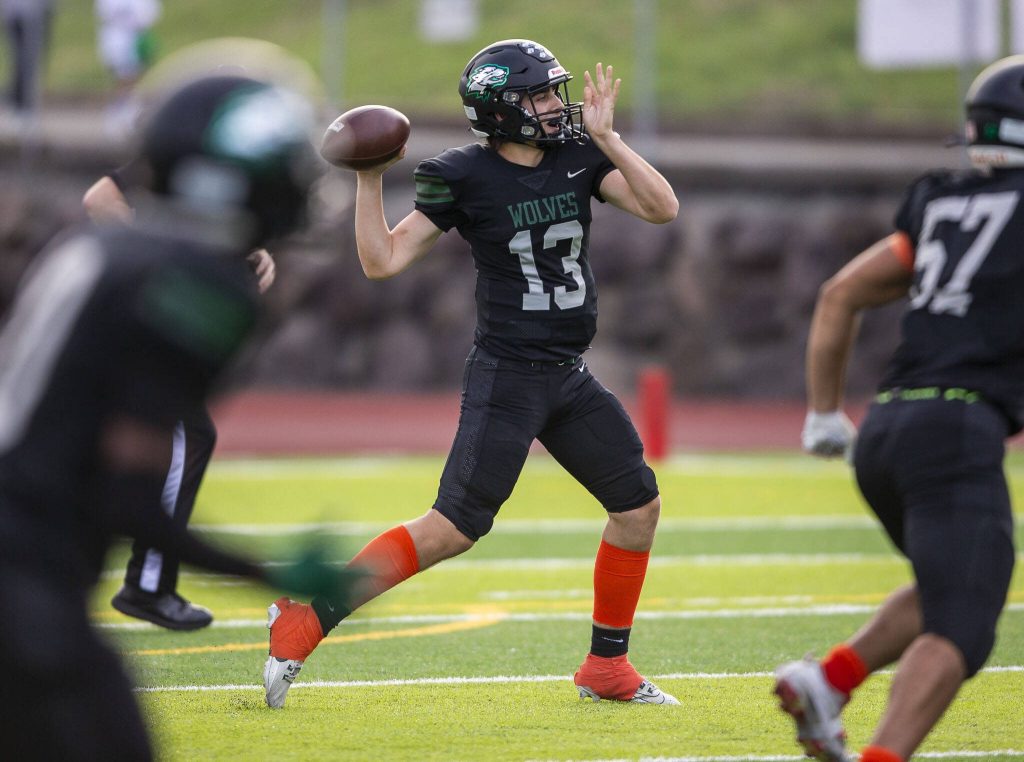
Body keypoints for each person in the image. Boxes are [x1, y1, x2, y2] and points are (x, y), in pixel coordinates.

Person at [263, 38, 680, 709]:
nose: (554, 106)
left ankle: (607, 667)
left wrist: (612, 139)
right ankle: (306, 617)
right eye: (539, 96)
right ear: (500, 109)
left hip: (568, 375)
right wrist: (369, 180)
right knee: (452, 528)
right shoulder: (462, 175)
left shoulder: (581, 155)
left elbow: (662, 207)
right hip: (509, 375)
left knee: (637, 509)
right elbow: (383, 261)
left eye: (553, 92)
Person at [0, 74, 355, 760]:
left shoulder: (97, 249)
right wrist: (267, 575)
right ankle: (151, 590)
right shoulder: (196, 287)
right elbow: (130, 499)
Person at [774, 55, 1022, 762]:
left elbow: (839, 293)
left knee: (954, 581)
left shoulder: (939, 200)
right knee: (963, 626)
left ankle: (829, 680)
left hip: (886, 428)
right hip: (956, 428)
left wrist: (825, 412)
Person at [82, 168, 277, 631]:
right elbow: (99, 199)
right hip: (120, 327)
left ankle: (143, 582)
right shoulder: (182, 158)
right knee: (186, 433)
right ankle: (147, 584)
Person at [94, 0, 161, 136]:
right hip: (117, 39)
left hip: (136, 38)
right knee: (124, 79)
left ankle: (129, 113)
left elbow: (149, 15)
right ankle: (119, 115)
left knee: (136, 79)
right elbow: (107, 14)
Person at [1, 0, 54, 126]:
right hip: (21, 11)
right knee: (25, 58)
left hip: (31, 9)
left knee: (28, 58)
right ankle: (23, 105)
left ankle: (21, 103)